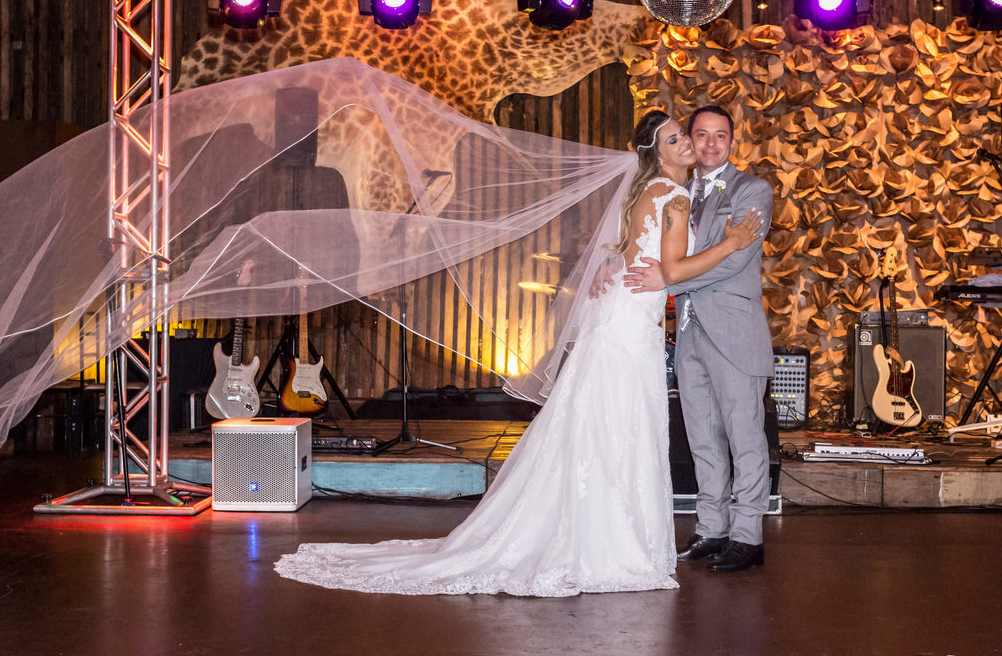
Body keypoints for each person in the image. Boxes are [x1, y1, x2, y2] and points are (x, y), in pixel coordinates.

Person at [273, 110, 761, 596]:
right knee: (623, 424)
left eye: (688, 137)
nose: (689, 145)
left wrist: (610, 266)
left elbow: (633, 250)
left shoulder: (649, 191)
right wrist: (732, 240)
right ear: (656, 150)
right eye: (678, 138)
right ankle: (611, 541)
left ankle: (603, 530)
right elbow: (672, 270)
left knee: (602, 422)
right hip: (632, 324)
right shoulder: (672, 193)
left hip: (623, 316)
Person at [623, 104, 773, 573]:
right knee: (702, 438)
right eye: (701, 135)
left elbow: (734, 260)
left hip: (734, 331)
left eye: (720, 135)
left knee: (744, 437)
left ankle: (747, 536)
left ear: (733, 139)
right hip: (687, 334)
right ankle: (712, 529)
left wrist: (667, 282)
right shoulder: (677, 188)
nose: (709, 144)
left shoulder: (753, 189)